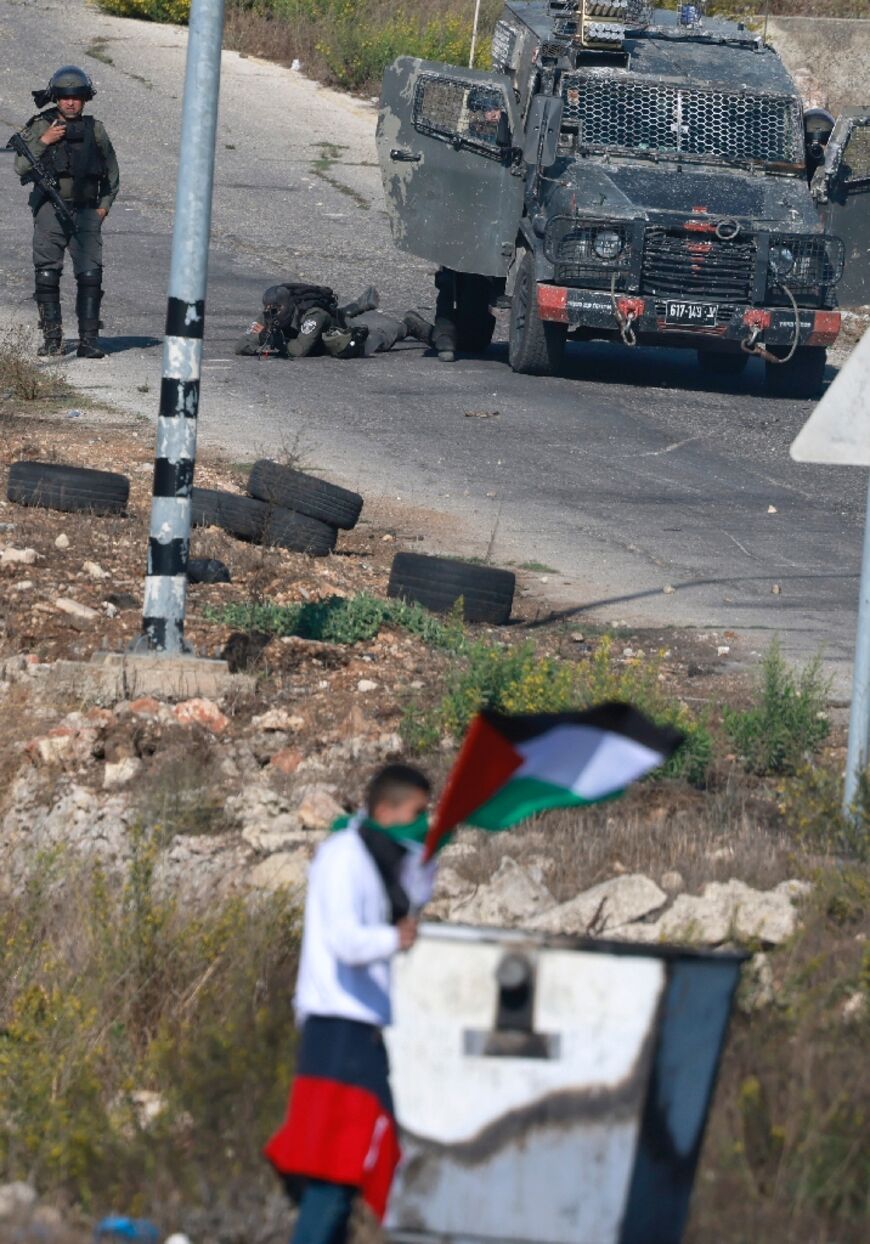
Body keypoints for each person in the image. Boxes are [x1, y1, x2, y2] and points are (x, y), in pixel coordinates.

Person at [264, 763, 437, 1244]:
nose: (422, 822)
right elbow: (344, 940)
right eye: (417, 813)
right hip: (337, 1027)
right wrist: (393, 939)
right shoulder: (344, 857)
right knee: (337, 1169)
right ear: (386, 810)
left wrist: (429, 853)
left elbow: (416, 895)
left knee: (351, 1166)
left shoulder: (380, 860)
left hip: (360, 1030)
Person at [13, 65, 120, 359]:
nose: (70, 102)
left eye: (76, 97)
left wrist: (103, 208)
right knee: (47, 273)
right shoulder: (39, 126)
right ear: (56, 99)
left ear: (84, 99)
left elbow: (112, 173)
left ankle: (89, 340)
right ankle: (52, 338)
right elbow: (20, 167)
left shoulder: (94, 129)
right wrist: (44, 141)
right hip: (50, 209)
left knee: (90, 275)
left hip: (86, 211)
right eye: (64, 97)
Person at [234, 280, 434, 360]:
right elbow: (242, 345)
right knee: (340, 316)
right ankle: (356, 306)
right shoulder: (268, 316)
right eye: (268, 309)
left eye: (277, 309)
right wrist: (262, 341)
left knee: (372, 343)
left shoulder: (312, 315)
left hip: (334, 333)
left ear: (289, 306)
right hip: (324, 327)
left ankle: (407, 326)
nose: (272, 313)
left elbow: (299, 350)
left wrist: (277, 343)